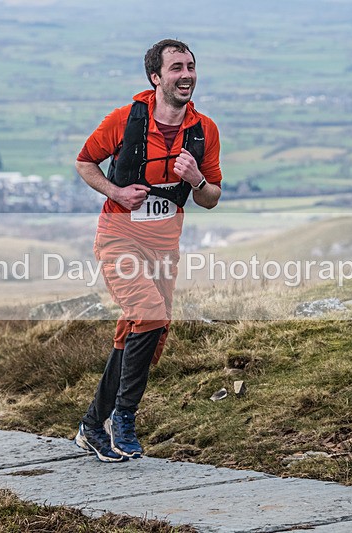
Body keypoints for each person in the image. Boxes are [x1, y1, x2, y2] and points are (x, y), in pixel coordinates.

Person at [73, 39, 222, 462]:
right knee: (149, 312)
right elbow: (85, 162)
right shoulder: (123, 120)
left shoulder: (204, 130)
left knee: (144, 333)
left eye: (191, 66)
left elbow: (211, 197)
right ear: (156, 77)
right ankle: (123, 420)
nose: (187, 74)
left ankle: (91, 425)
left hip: (163, 247)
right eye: (177, 67)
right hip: (119, 236)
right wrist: (116, 190)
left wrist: (195, 179)